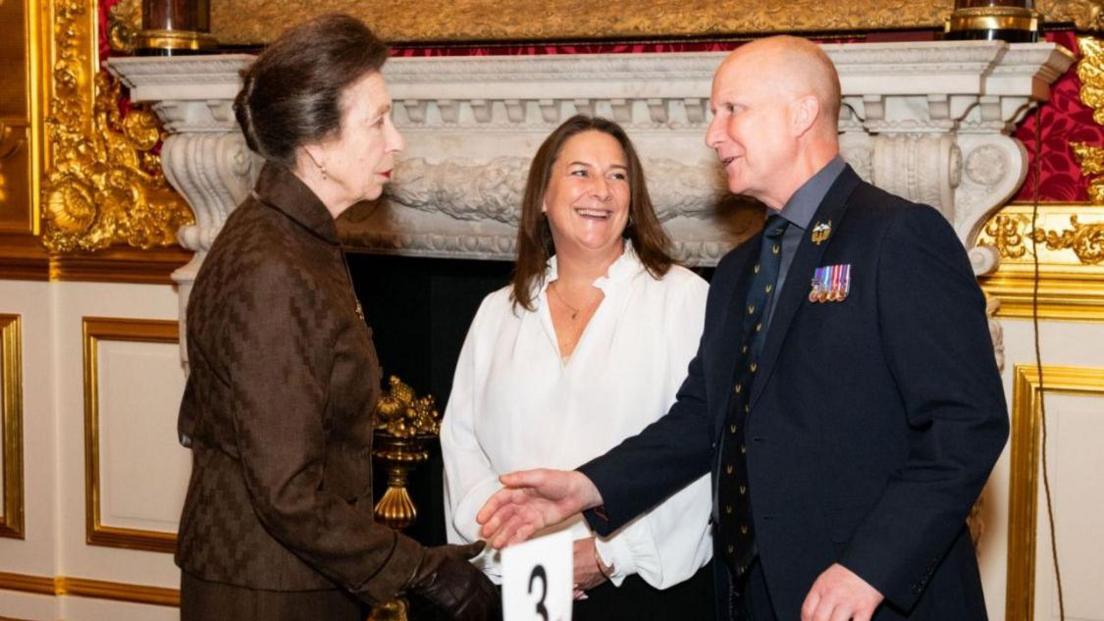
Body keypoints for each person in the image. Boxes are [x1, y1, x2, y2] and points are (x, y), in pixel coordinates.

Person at [477, 36, 1009, 621]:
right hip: (754, 596)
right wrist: (587, 487)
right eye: (714, 114)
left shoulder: (898, 237)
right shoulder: (737, 271)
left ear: (801, 113)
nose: (713, 134)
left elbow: (967, 424)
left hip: (871, 598)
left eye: (733, 110)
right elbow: (698, 420)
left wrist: (870, 568)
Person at [174, 14, 497, 621]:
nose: (396, 140)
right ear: (317, 145)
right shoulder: (272, 265)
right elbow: (288, 491)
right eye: (377, 121)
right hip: (268, 595)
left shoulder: (296, 238)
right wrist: (418, 569)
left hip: (296, 578)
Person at [440, 115, 715, 619]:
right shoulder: (498, 312)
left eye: (617, 175)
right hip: (521, 579)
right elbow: (462, 444)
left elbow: (700, 447)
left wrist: (608, 556)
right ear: (542, 197)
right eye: (580, 172)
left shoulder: (685, 299)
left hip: (640, 587)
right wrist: (507, 547)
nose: (601, 191)